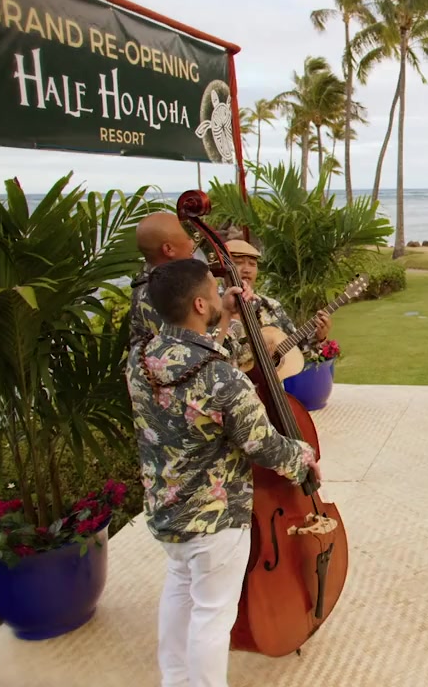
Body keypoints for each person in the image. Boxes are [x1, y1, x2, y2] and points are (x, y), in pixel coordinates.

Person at [126, 259, 319, 687]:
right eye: (214, 293)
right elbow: (264, 445)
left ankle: (175, 680)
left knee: (179, 591)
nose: (219, 296)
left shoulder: (141, 359)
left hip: (166, 509)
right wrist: (303, 456)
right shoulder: (222, 379)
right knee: (213, 616)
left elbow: (196, 361)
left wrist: (228, 317)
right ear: (199, 304)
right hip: (214, 520)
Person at [222, 240, 331, 368]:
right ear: (222, 268)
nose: (247, 270)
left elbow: (298, 348)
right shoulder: (212, 307)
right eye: (239, 263)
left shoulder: (271, 306)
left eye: (252, 264)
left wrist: (319, 337)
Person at [129, 213, 198, 347]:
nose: (194, 244)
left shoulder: (161, 283)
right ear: (168, 249)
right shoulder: (158, 294)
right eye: (189, 238)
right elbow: (189, 348)